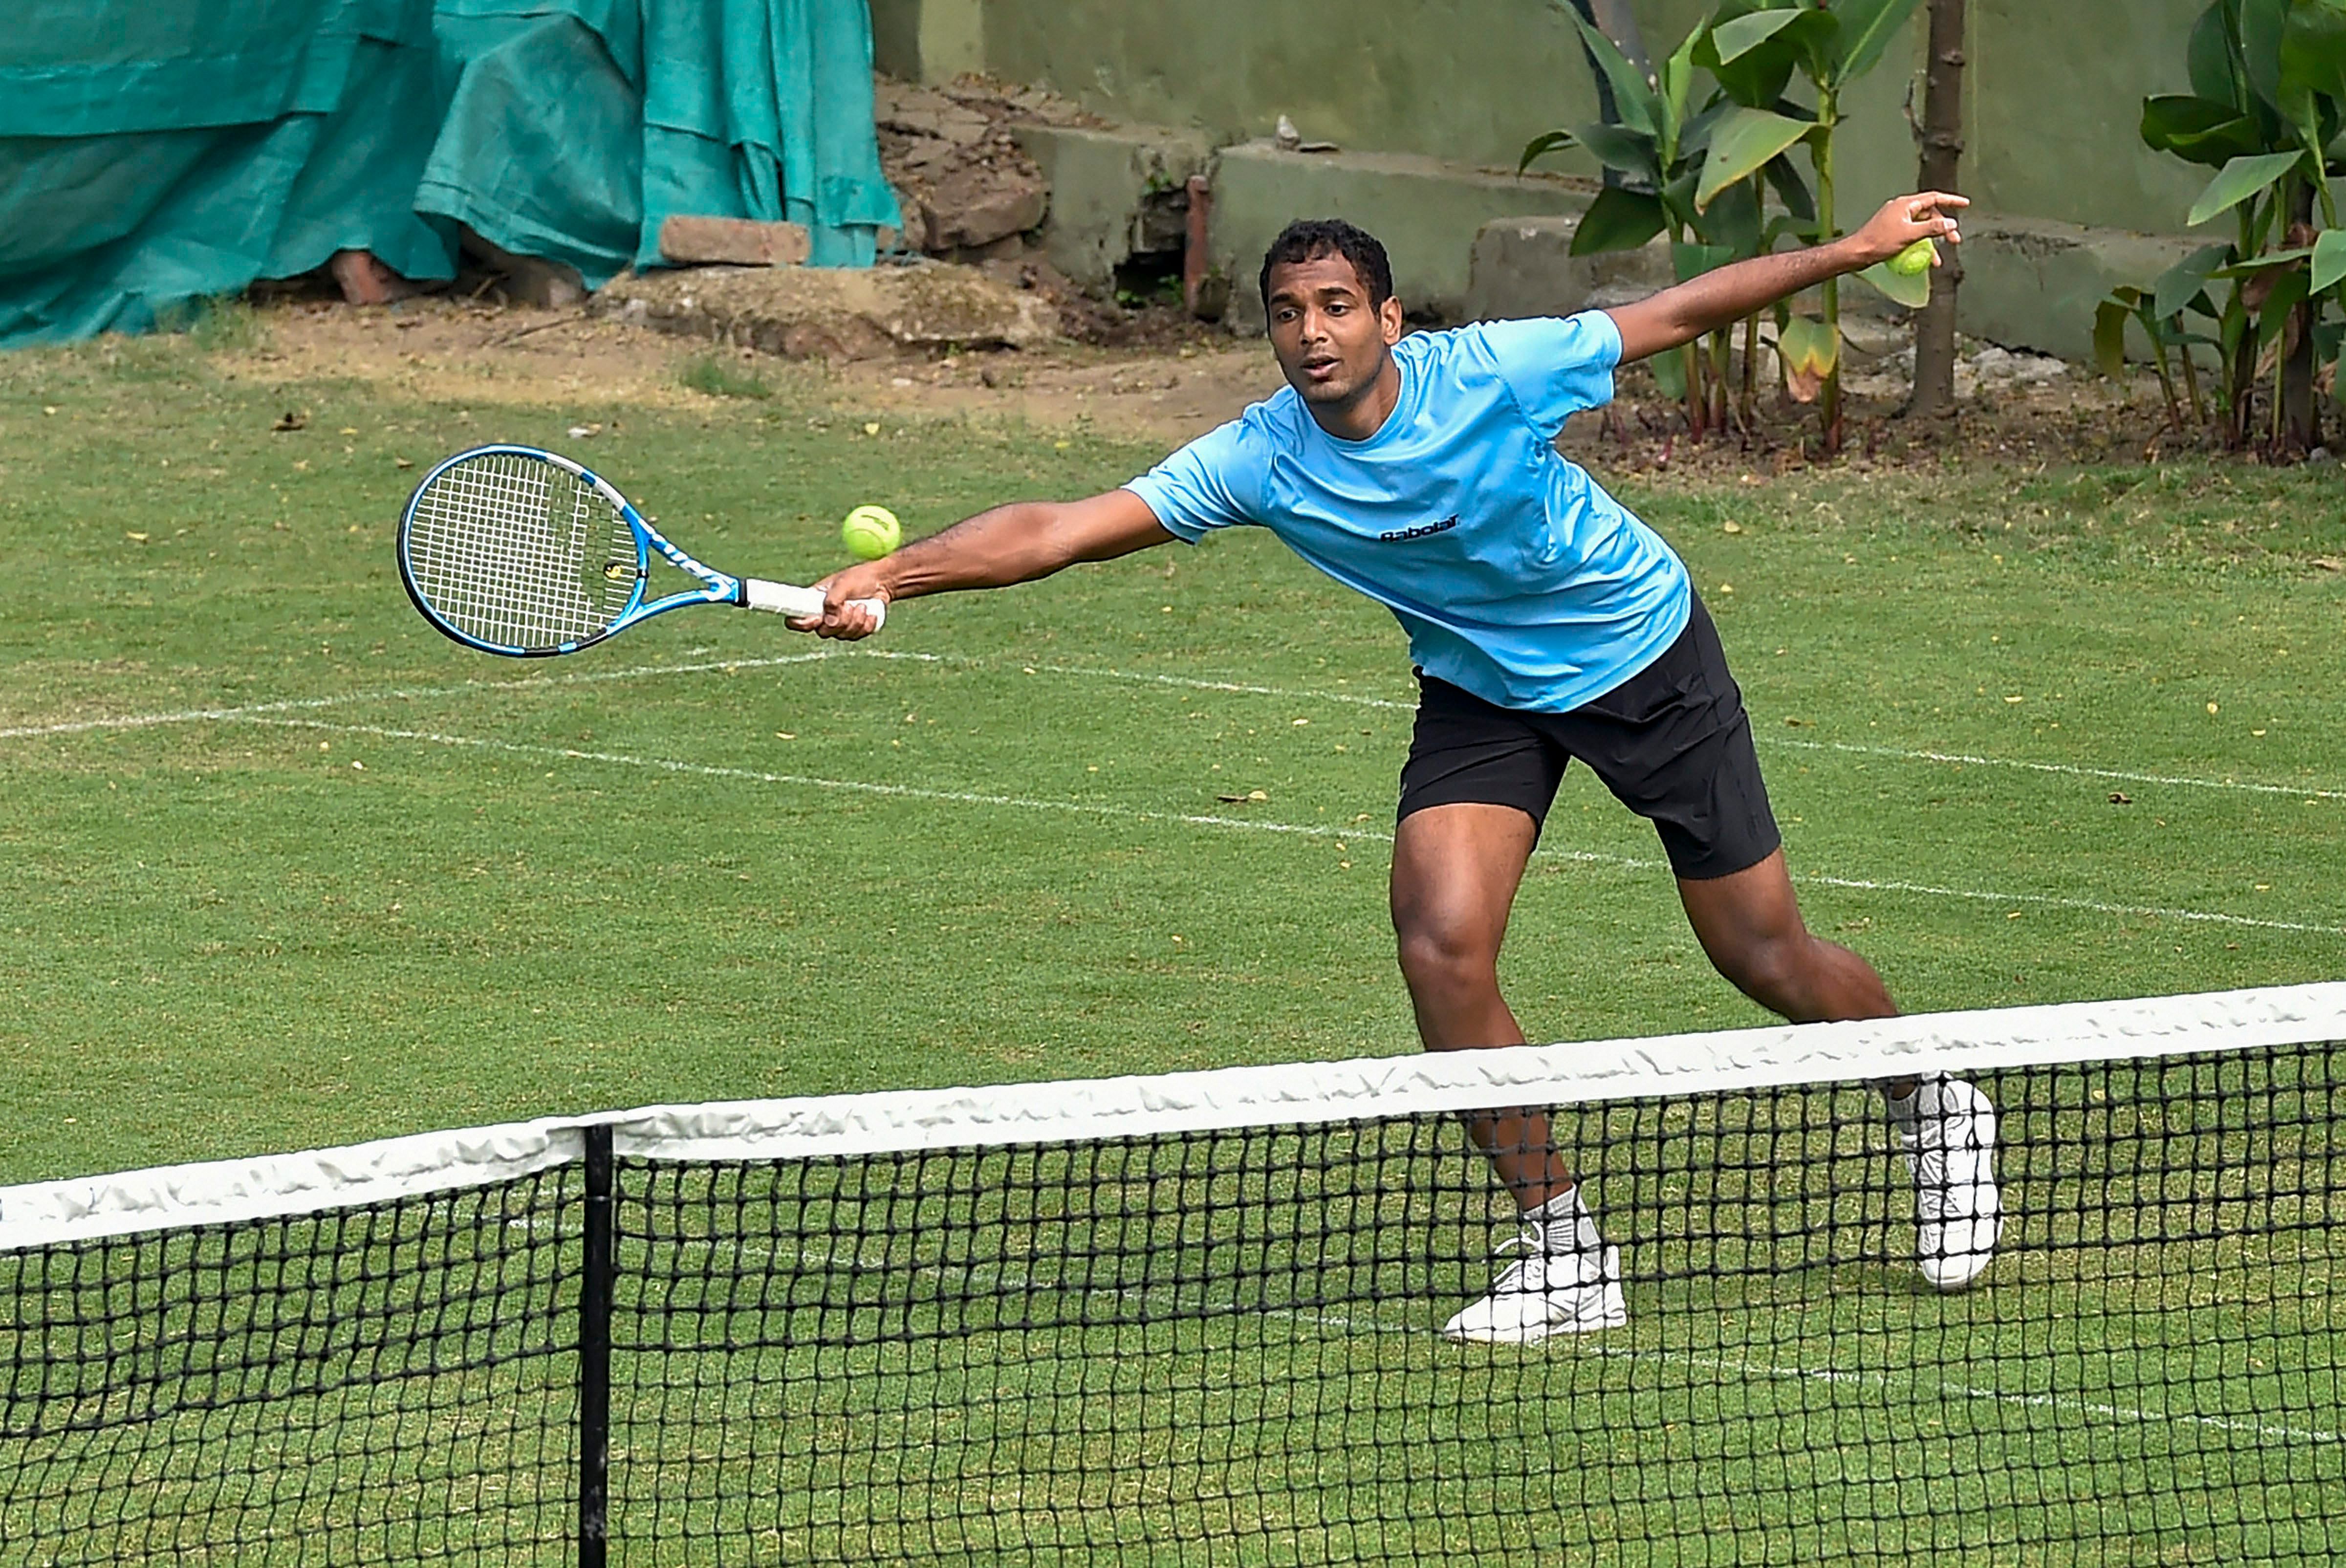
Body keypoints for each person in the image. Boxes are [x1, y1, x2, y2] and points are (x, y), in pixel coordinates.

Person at [797, 193, 2002, 1344]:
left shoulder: (1493, 373)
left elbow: (1678, 312)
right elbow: (1062, 528)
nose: (1310, 332)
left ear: (1388, 321)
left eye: (1334, 304)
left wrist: (1848, 253)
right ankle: (1564, 1251)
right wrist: (887, 578)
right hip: (1481, 683)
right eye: (1286, 310)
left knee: (1762, 953)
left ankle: (1933, 1101)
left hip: (1639, 654)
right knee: (1441, 944)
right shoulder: (1261, 457)